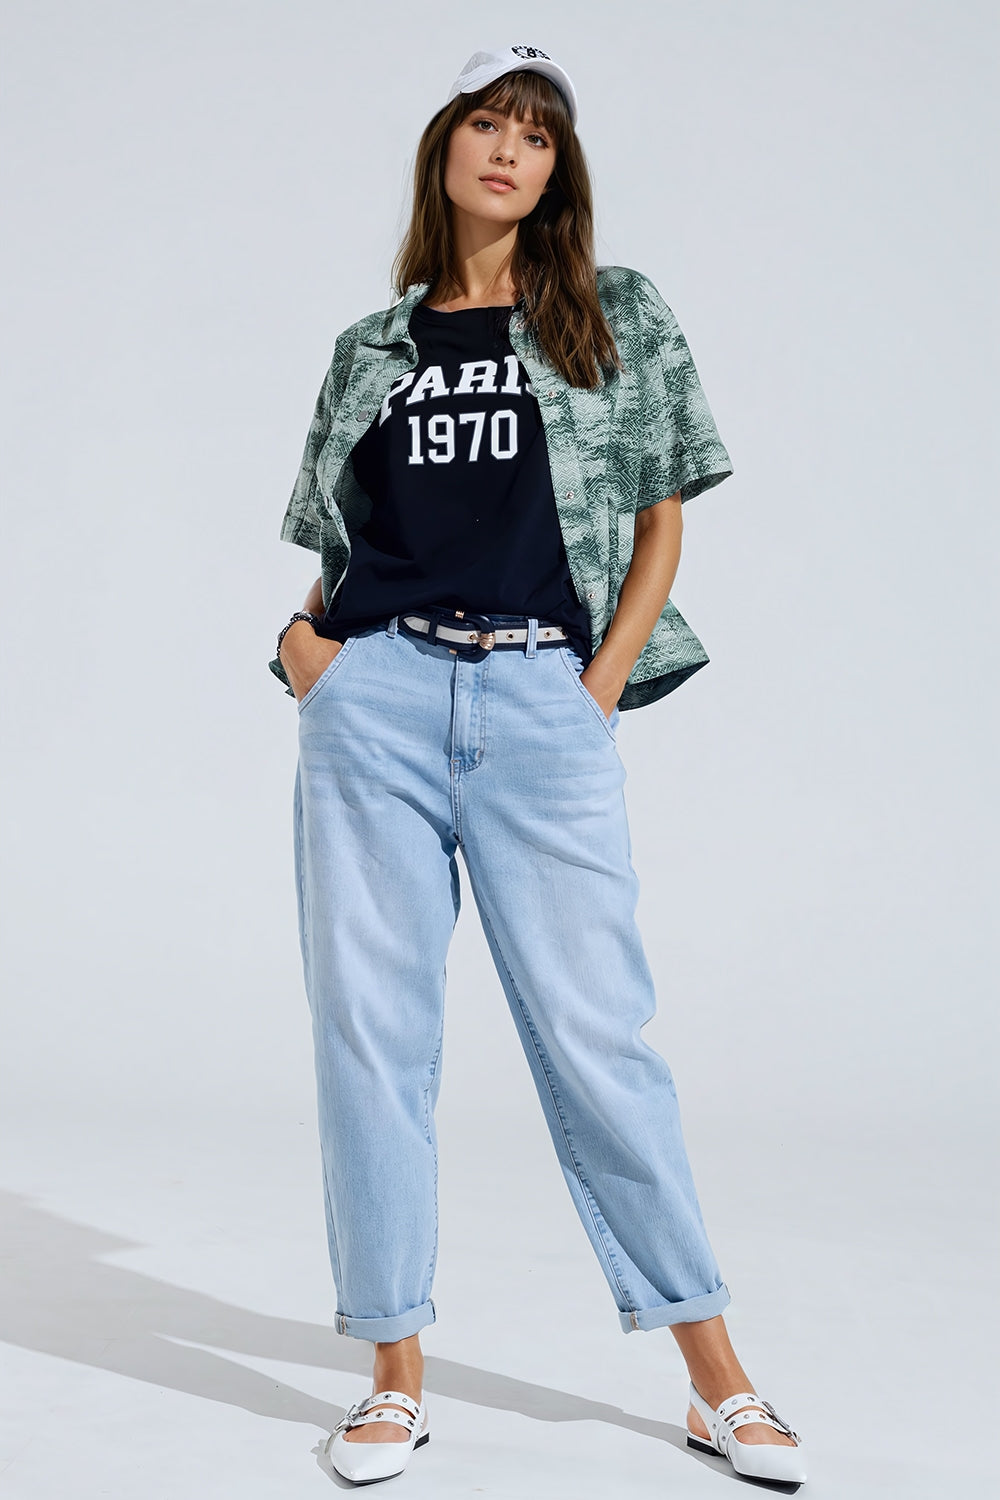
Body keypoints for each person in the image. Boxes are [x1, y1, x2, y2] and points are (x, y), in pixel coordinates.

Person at [272, 43, 807, 1490]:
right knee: (371, 1039)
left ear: (557, 170)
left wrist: (598, 687)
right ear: (445, 147)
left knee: (598, 1041)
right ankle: (392, 1378)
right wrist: (310, 654)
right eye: (488, 125)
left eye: (538, 135)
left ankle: (717, 1377)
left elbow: (660, 517)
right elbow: (344, 541)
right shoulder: (370, 348)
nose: (509, 150)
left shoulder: (609, 314)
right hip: (375, 705)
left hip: (540, 700)